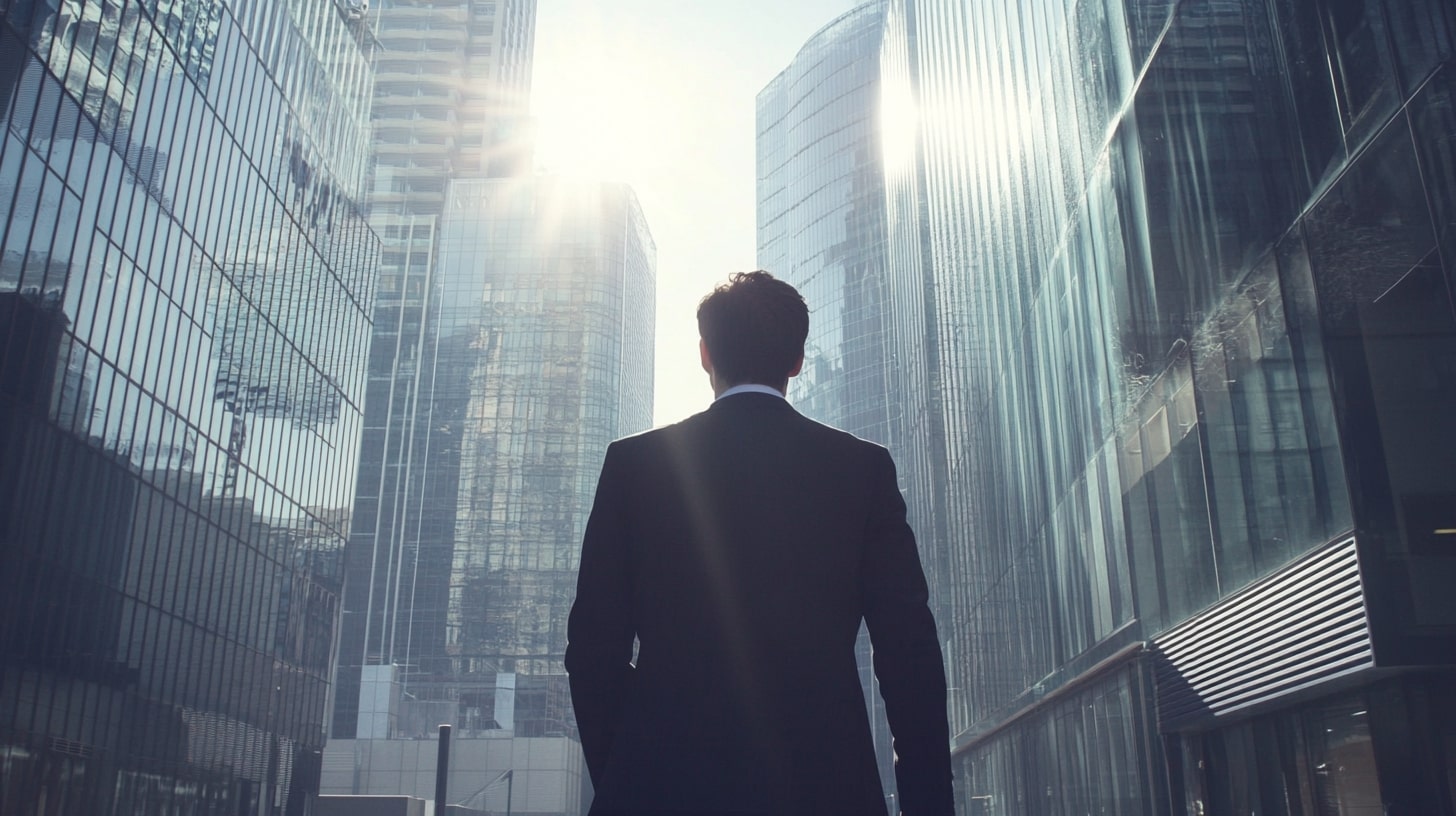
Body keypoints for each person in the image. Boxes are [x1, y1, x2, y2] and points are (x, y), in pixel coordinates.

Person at [565, 271, 954, 816]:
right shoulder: (861, 471)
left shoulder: (635, 466)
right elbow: (908, 653)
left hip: (659, 788)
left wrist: (631, 772)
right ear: (796, 360)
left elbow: (591, 651)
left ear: (705, 353)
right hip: (826, 791)